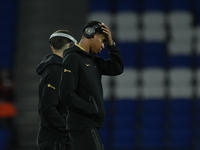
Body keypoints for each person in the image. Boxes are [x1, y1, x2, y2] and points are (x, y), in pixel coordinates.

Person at [59, 21, 124, 150]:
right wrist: (91, 109)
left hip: (89, 124)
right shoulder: (73, 58)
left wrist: (112, 44)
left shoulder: (94, 61)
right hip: (81, 124)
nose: (103, 46)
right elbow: (66, 94)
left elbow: (117, 68)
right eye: (102, 40)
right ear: (91, 35)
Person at [36, 29, 77, 150]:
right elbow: (48, 107)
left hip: (57, 138)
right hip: (57, 140)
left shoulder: (56, 69)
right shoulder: (56, 71)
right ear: (70, 46)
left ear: (52, 47)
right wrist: (67, 127)